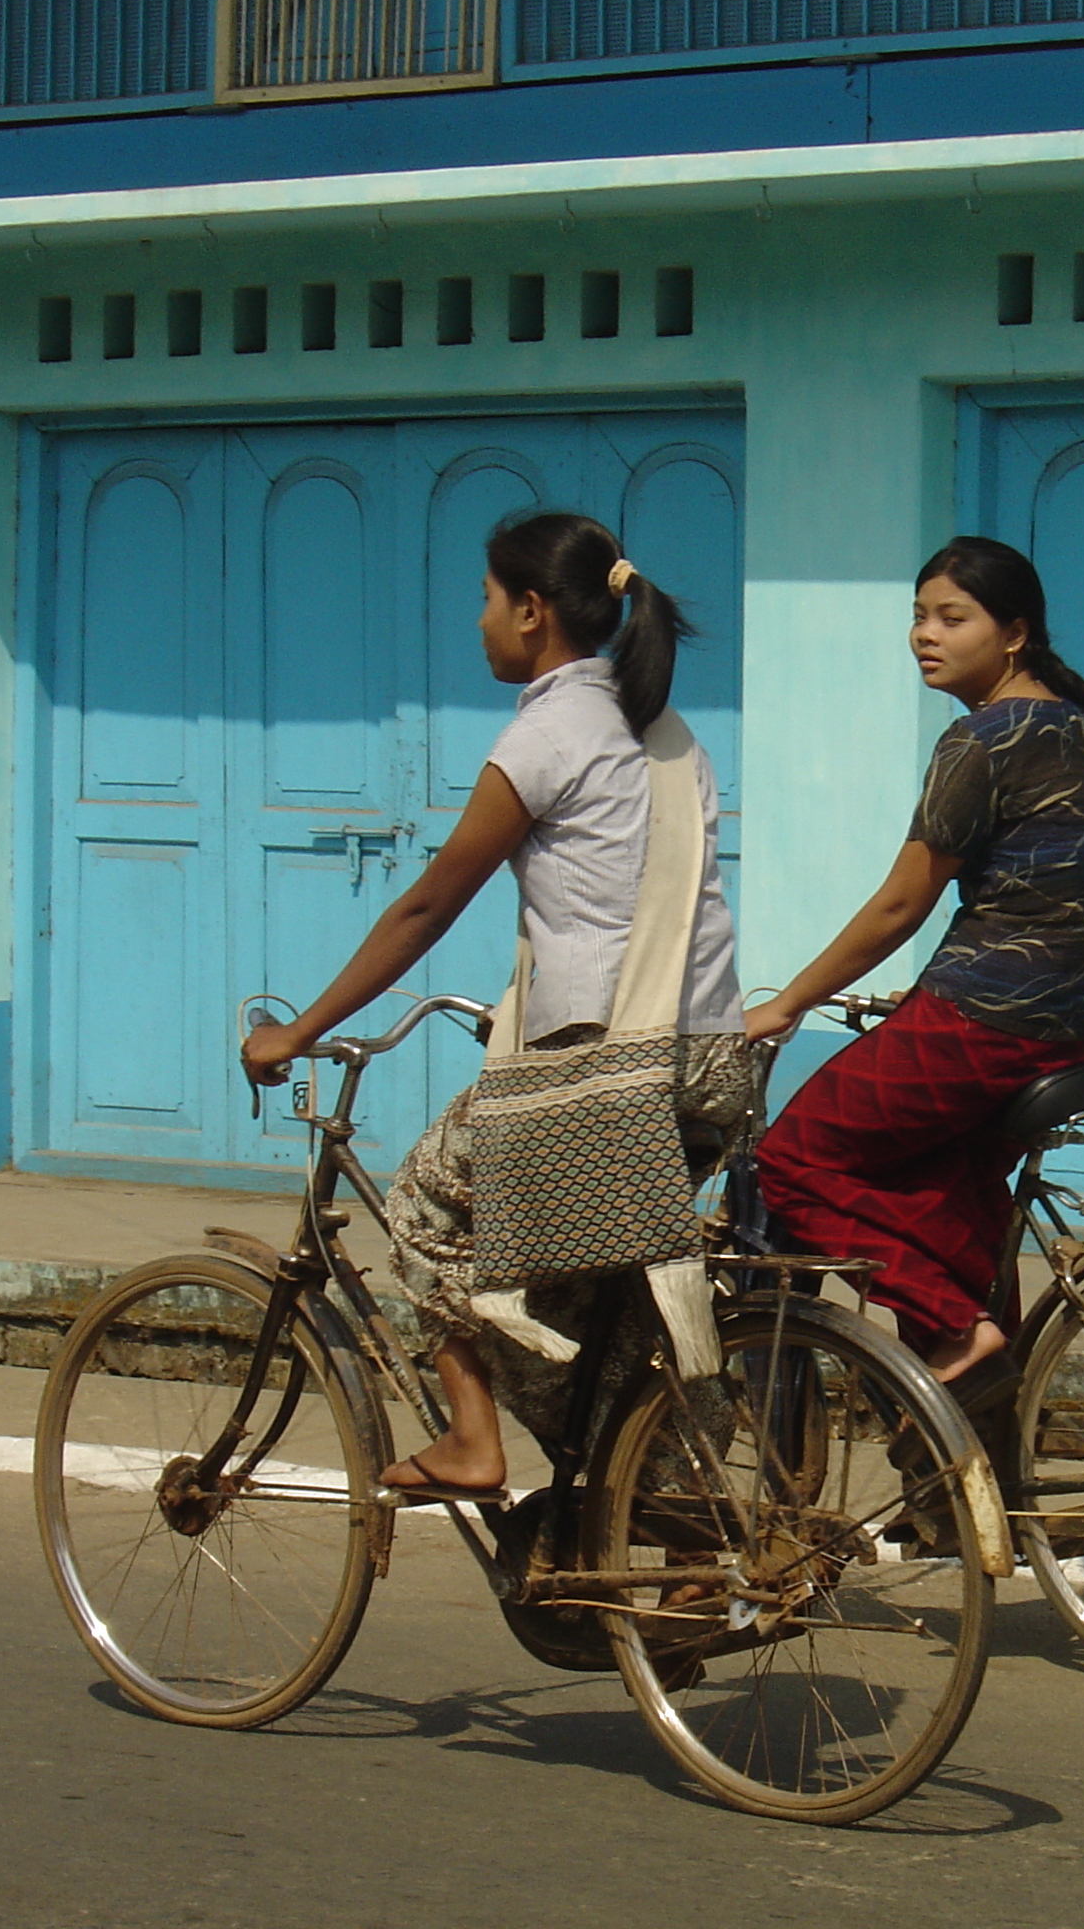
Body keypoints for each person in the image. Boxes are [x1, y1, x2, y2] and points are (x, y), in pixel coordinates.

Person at [241, 512, 751, 1501]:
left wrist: (298, 1031)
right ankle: (675, 1517)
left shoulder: (550, 729)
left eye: (485, 599)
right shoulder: (667, 732)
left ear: (531, 610)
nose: (476, 621)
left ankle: (473, 1443)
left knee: (425, 1208)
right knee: (600, 1296)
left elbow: (430, 902)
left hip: (612, 1072)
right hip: (713, 1061)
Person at [745, 537, 1084, 1411]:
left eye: (952, 618)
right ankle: (977, 1469)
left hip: (986, 1020)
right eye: (919, 616)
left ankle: (957, 1333)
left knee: (791, 1162)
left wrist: (787, 1003)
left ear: (1015, 633)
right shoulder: (1082, 728)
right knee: (943, 1201)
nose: (926, 634)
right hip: (1075, 1023)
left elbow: (900, 906)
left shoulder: (983, 740)